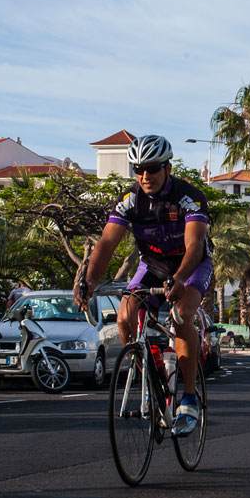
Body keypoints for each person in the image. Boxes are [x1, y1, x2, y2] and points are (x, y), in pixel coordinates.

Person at [74, 135, 212, 437]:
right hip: (153, 265)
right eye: (138, 169)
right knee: (124, 317)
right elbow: (107, 243)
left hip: (191, 264)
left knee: (180, 314)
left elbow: (195, 245)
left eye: (152, 169)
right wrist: (89, 280)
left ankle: (189, 398)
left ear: (167, 168)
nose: (145, 176)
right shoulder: (130, 200)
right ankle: (152, 378)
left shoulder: (189, 197)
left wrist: (179, 279)